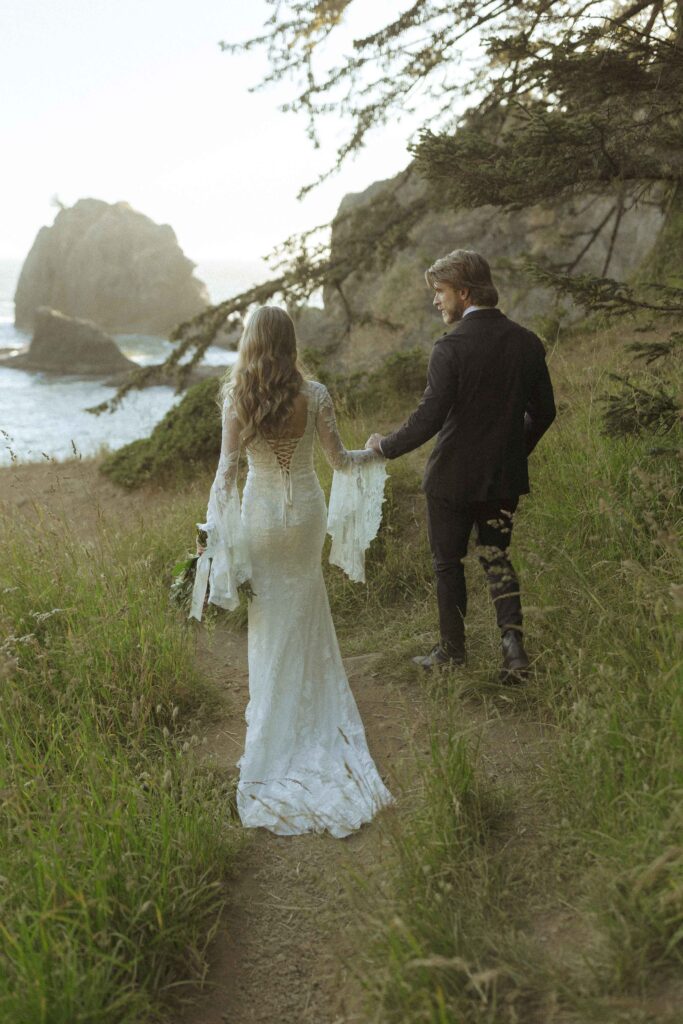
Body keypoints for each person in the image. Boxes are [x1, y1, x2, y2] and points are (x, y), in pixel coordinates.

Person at [191, 305, 393, 837]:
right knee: (304, 605)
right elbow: (341, 463)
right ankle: (308, 706)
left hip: (260, 518)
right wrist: (373, 452)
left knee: (268, 616)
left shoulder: (237, 397)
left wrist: (215, 538)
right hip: (305, 513)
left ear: (253, 343)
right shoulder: (317, 395)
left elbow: (226, 476)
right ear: (290, 341)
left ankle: (274, 715)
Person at [366, 249, 556, 680]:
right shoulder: (527, 342)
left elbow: (429, 417)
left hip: (450, 477)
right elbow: (544, 412)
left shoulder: (450, 348)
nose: (437, 301)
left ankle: (452, 652)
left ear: (464, 292)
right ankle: (514, 653)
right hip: (503, 477)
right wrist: (512, 451)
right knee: (497, 560)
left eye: (440, 292)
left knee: (448, 564)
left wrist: (385, 446)